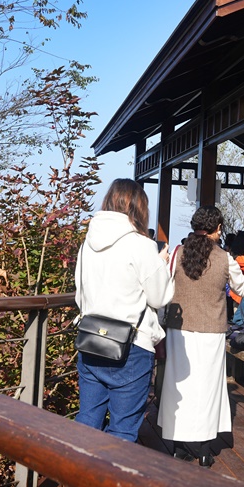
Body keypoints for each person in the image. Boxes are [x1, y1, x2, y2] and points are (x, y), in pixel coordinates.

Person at [159, 206, 244, 467]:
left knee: (178, 386)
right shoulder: (225, 258)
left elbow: (165, 289)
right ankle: (204, 449)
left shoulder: (178, 254)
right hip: (211, 331)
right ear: (217, 229)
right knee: (208, 387)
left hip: (178, 328)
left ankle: (178, 446)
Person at [74, 179, 174, 442]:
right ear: (139, 207)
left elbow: (79, 294)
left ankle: (77, 475)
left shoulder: (87, 244)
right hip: (130, 346)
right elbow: (161, 296)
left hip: (91, 341)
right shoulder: (141, 245)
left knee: (87, 420)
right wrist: (161, 265)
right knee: (122, 430)